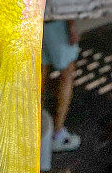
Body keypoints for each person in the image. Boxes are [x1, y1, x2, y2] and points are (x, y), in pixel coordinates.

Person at [42, 19, 82, 152]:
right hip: (55, 20)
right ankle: (57, 134)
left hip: (31, 14)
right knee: (67, 71)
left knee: (39, 72)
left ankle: (37, 129)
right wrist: (71, 25)